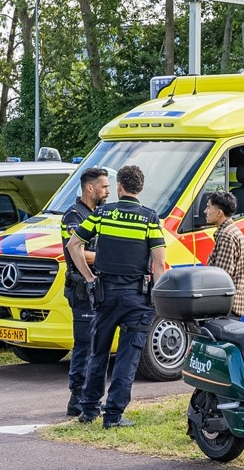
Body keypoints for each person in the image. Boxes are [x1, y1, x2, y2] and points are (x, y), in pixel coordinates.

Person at [66, 165, 167, 429]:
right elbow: (159, 264)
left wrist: (89, 278)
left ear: (120, 186)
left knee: (98, 353)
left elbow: (73, 245)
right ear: (140, 189)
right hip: (137, 299)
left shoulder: (101, 214)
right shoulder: (149, 219)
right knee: (127, 358)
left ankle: (89, 410)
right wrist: (156, 297)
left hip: (105, 295)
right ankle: (113, 416)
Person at [61, 167, 109, 416]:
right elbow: (76, 250)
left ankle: (88, 396)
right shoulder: (74, 216)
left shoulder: (98, 214)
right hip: (81, 288)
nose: (107, 191)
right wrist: (109, 259)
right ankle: (76, 397)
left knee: (96, 345)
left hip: (97, 287)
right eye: (104, 186)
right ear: (89, 188)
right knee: (84, 345)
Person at [204, 190, 244, 318]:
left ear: (219, 213)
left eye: (208, 207)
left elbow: (222, 277)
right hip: (230, 304)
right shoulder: (231, 231)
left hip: (226, 307)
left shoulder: (226, 235)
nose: (205, 211)